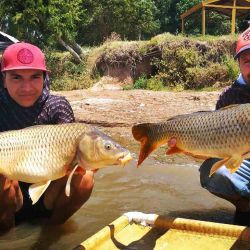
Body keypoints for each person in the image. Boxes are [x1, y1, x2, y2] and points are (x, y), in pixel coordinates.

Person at [0, 42, 94, 231]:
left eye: (35, 77)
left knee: (86, 178)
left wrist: (88, 161)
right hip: (6, 199)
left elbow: (74, 160)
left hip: (49, 196)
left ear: (44, 77)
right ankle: (6, 235)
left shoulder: (57, 106)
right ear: (3, 79)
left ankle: (50, 235)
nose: (26, 87)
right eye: (16, 77)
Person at [168, 26, 250, 226]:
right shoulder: (229, 96)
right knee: (213, 173)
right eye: (248, 61)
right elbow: (219, 148)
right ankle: (245, 205)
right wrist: (190, 148)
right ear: (238, 64)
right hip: (245, 159)